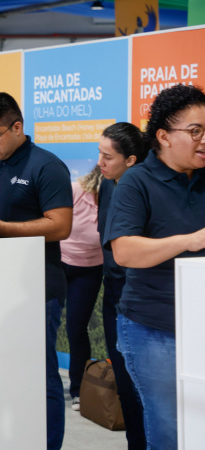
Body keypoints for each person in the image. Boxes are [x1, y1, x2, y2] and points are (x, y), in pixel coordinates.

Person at [0, 92, 73, 450]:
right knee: (0, 374)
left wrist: (3, 229)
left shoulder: (47, 166)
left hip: (38, 289)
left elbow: (60, 226)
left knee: (41, 375)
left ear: (17, 127)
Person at [104, 84, 205, 449]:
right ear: (163, 136)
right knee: (169, 431)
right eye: (195, 131)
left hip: (200, 324)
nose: (204, 140)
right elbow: (125, 251)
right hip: (154, 328)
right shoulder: (137, 181)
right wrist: (189, 241)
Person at [97, 122, 148, 449]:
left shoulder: (145, 188)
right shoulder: (107, 185)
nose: (100, 162)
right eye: (99, 154)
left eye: (108, 156)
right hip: (113, 289)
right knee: (125, 383)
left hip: (139, 293)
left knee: (142, 385)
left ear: (130, 160)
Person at [59, 165, 104, 411]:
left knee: (77, 328)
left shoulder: (115, 201)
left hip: (90, 270)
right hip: (60, 262)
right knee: (43, 323)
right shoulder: (76, 191)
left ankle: (79, 390)